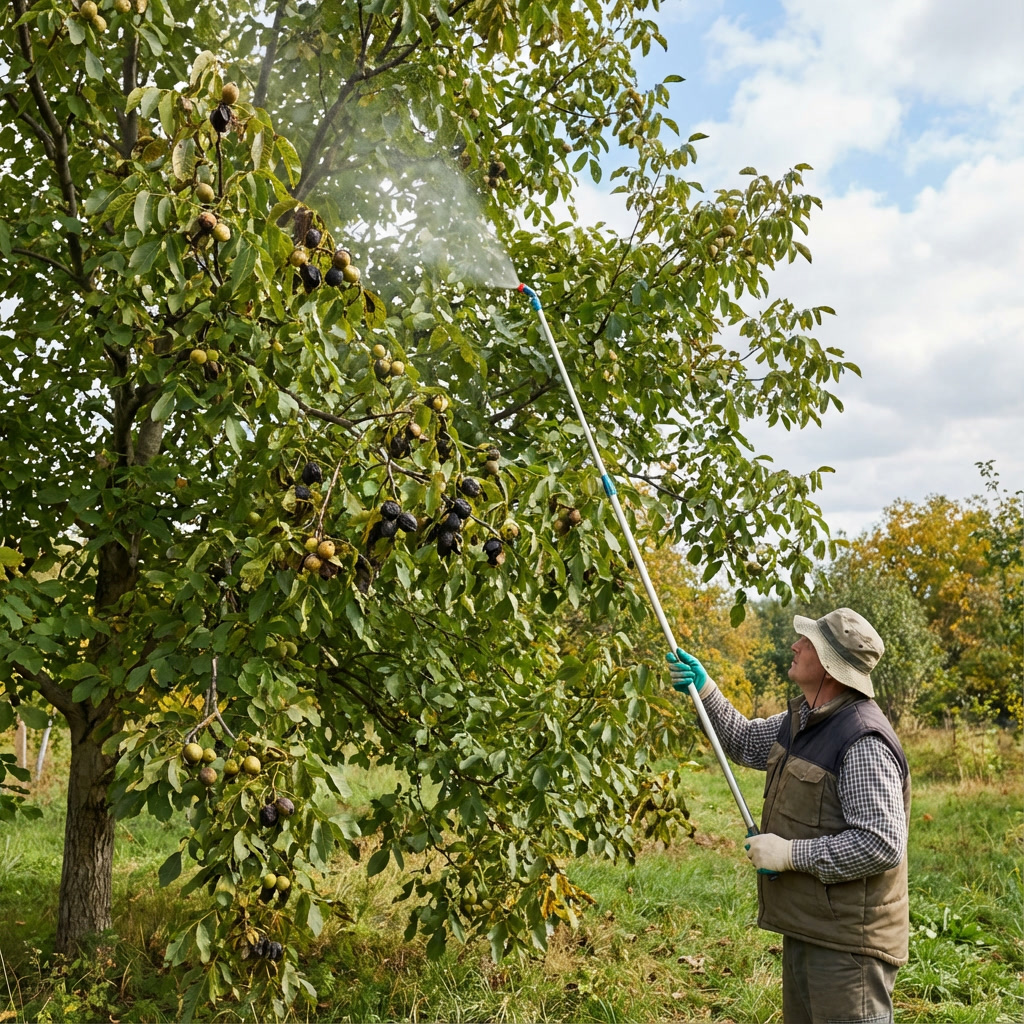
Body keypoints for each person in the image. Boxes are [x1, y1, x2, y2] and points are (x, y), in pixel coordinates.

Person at [667, 608, 910, 1024]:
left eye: (808, 642)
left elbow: (881, 843)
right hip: (811, 926)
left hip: (848, 946)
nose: (795, 645)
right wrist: (705, 690)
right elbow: (743, 741)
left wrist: (789, 854)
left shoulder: (861, 740)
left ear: (831, 669)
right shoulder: (805, 720)